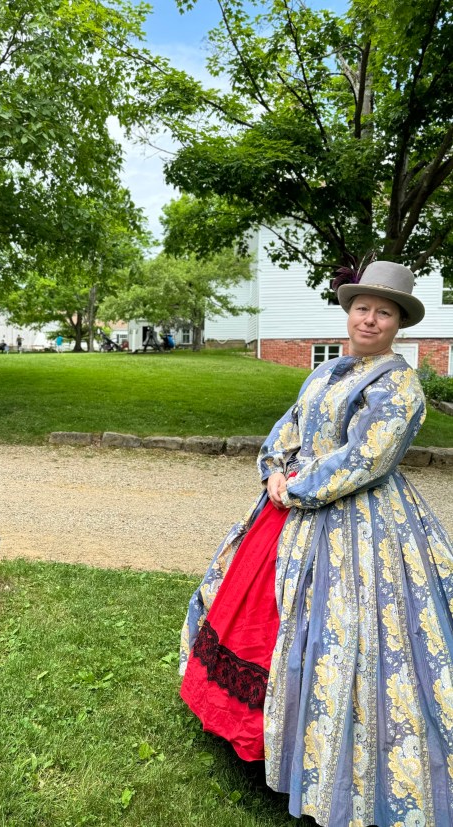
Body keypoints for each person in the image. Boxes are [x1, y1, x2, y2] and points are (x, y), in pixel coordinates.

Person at [179, 261, 453, 827]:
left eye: (384, 311)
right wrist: (274, 471)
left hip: (361, 522)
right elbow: (290, 427)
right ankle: (256, 728)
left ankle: (341, 756)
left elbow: (367, 458)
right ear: (348, 312)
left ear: (399, 322)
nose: (370, 318)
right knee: (260, 614)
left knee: (355, 636)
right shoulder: (327, 372)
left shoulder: (399, 383)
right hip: (289, 511)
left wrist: (297, 488)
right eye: (362, 307)